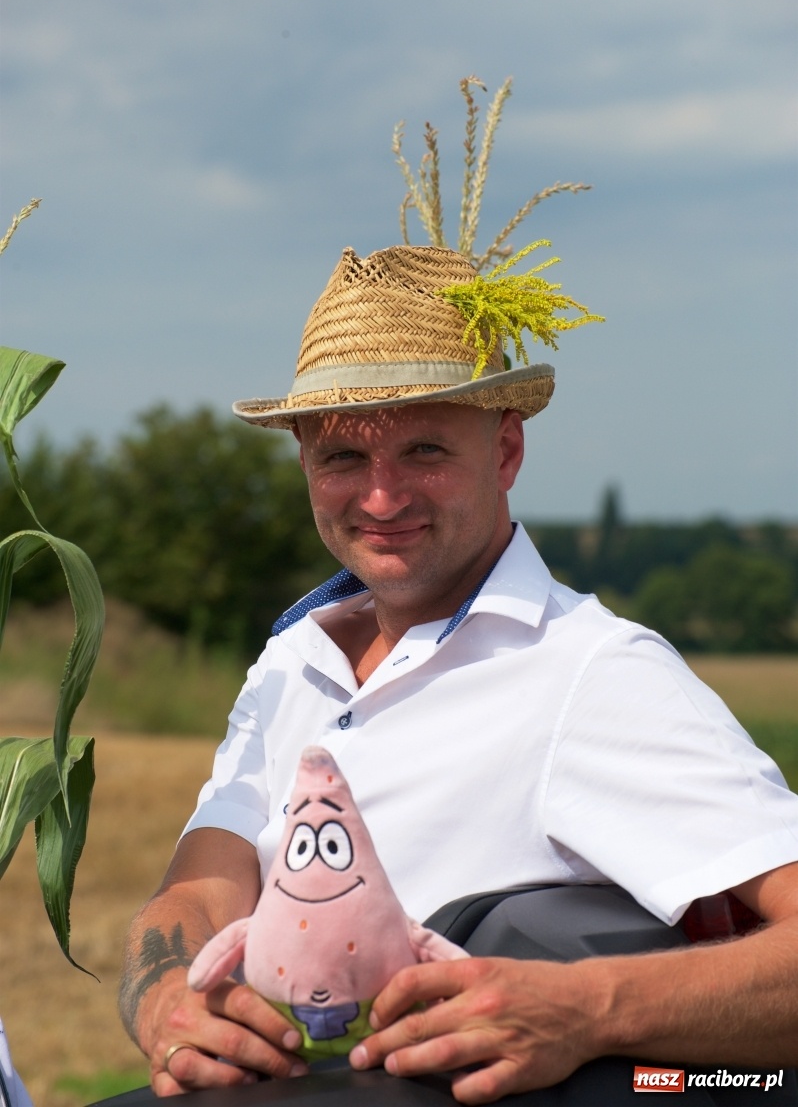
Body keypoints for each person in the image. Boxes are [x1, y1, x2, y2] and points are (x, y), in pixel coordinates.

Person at [119, 244, 798, 1101]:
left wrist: (585, 1009)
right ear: (302, 462)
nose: (381, 497)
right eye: (342, 459)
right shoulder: (293, 659)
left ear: (506, 451)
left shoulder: (590, 671)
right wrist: (163, 1001)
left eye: (425, 450)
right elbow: (198, 894)